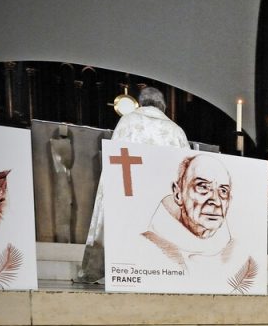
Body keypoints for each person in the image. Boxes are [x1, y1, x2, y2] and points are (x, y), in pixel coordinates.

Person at [76, 86, 189, 283]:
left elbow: (115, 161)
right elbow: (185, 169)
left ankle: (125, 274)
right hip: (162, 198)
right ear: (163, 106)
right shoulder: (176, 131)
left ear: (141, 103)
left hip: (128, 192)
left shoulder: (128, 122)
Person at [141, 153, 233, 270]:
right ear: (178, 194)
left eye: (223, 191)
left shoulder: (237, 253)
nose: (216, 201)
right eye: (203, 186)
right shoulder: (147, 246)